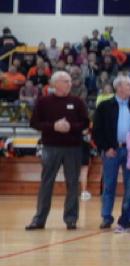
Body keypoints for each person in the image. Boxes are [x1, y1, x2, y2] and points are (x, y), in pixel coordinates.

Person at [26, 72, 90, 230]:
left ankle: (71, 219)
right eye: (66, 81)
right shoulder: (43, 102)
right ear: (56, 83)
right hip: (50, 148)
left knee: (73, 184)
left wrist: (70, 127)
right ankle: (39, 219)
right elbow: (34, 123)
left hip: (73, 149)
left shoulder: (77, 102)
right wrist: (53, 126)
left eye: (70, 81)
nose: (70, 83)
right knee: (46, 183)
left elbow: (85, 123)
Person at [93, 76, 130, 229]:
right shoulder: (104, 106)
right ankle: (106, 216)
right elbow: (97, 130)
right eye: (128, 85)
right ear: (118, 87)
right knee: (109, 185)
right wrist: (105, 148)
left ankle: (127, 216)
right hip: (112, 151)